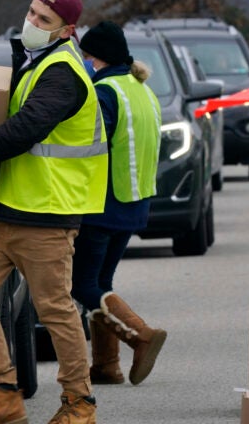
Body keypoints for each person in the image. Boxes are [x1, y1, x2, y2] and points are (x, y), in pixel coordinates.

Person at [0, 0, 108, 424]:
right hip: (1, 212)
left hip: (47, 216)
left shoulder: (64, 72)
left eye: (43, 20)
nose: (32, 23)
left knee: (55, 309)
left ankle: (79, 404)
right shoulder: (35, 62)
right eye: (31, 13)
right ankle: (2, 395)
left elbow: (29, 125)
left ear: (67, 30)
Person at [72, 21, 166, 387]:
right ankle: (106, 367)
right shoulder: (142, 90)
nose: (84, 62)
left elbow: (90, 145)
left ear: (97, 57)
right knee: (102, 282)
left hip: (103, 204)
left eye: (86, 57)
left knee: (82, 286)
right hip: (133, 203)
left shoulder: (106, 92)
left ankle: (140, 335)